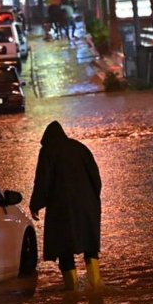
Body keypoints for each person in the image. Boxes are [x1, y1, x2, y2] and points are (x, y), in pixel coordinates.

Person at [29, 121, 102, 291]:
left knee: (64, 248)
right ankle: (96, 284)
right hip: (87, 207)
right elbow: (96, 178)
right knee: (90, 246)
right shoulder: (80, 148)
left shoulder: (48, 151)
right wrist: (92, 201)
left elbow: (42, 181)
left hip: (62, 210)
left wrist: (36, 204)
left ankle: (73, 289)